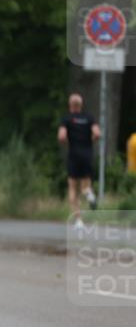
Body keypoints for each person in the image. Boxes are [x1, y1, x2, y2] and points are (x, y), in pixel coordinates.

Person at [58, 94, 101, 229]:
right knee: (85, 186)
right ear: (81, 105)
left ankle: (79, 221)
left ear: (70, 105)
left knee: (72, 188)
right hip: (87, 154)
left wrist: (67, 142)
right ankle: (89, 195)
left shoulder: (67, 119)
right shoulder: (89, 118)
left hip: (74, 155)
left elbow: (61, 136)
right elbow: (97, 133)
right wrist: (90, 141)